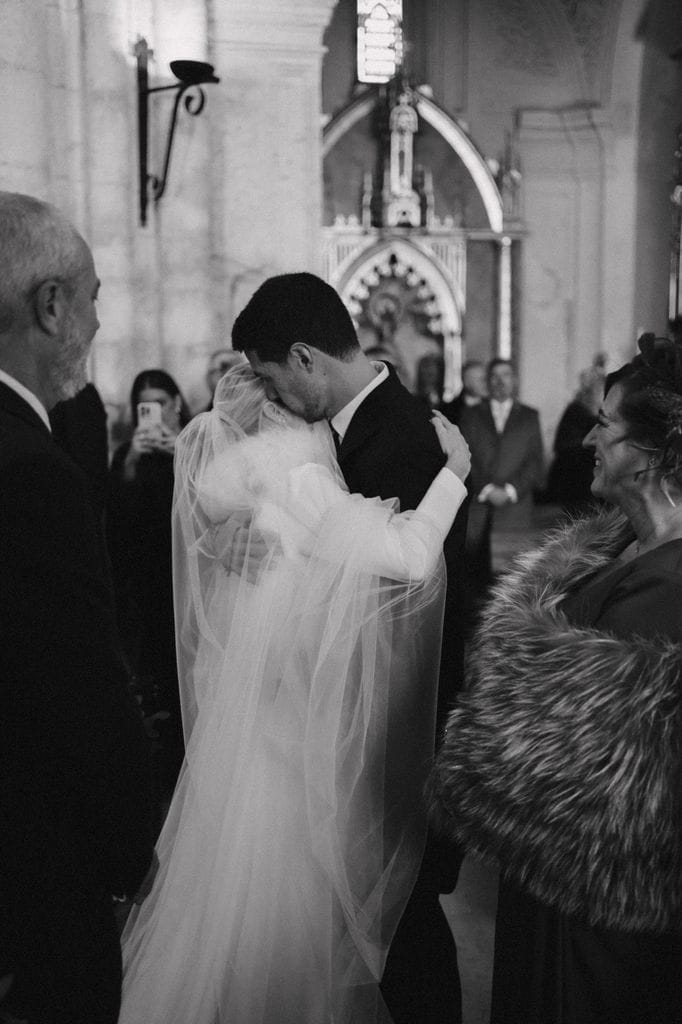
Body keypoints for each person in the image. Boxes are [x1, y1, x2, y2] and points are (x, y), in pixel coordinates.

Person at [119, 362, 471, 1024]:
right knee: (286, 914)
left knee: (225, 904)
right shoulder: (298, 471)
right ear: (284, 405)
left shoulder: (235, 491)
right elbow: (408, 557)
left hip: (244, 737)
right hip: (291, 742)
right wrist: (454, 471)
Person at [231, 272, 470, 1024]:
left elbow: (406, 589)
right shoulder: (336, 432)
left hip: (392, 734)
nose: (269, 395)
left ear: (305, 357)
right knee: (379, 927)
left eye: (271, 376)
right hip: (344, 727)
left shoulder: (402, 437)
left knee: (404, 927)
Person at [429, 333, 682, 1024]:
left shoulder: (666, 583)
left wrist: (498, 711)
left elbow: (581, 773)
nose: (587, 440)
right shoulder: (626, 544)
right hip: (552, 886)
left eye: (605, 424)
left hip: (596, 909)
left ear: (651, 452)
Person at [0, 191, 156, 1024]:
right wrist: (139, 846)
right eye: (94, 297)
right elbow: (78, 687)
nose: (98, 323)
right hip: (34, 852)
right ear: (51, 305)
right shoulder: (31, 469)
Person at [106, 369, 192, 801]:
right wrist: (133, 461)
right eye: (145, 402)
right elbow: (116, 521)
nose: (154, 409)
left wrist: (181, 452)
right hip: (146, 579)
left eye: (160, 400)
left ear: (176, 403)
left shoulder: (195, 445)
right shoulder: (127, 453)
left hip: (188, 580)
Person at [459, 357, 544, 609]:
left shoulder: (529, 416)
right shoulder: (471, 415)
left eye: (505, 375)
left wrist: (509, 490)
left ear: (514, 380)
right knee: (475, 583)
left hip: (514, 511)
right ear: (487, 382)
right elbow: (464, 455)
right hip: (478, 511)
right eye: (494, 376)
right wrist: (486, 488)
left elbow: (536, 462)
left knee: (512, 581)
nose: (500, 381)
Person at [545, 361, 605, 515]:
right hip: (576, 482)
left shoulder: (596, 412)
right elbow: (564, 446)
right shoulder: (576, 411)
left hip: (591, 482)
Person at [440, 358, 487, 425]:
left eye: (485, 379)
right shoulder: (448, 411)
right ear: (467, 382)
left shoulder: (494, 407)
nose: (485, 383)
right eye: (481, 379)